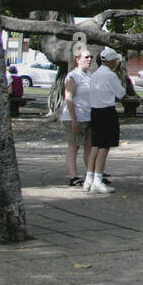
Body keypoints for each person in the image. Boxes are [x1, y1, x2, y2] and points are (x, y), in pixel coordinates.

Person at [85, 48, 126, 193]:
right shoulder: (110, 75)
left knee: (95, 145)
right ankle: (98, 179)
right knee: (104, 147)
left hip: (95, 111)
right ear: (111, 61)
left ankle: (89, 178)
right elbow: (121, 93)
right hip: (107, 111)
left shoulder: (95, 74)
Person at [62, 48, 94, 188]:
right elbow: (69, 98)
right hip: (75, 117)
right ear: (77, 59)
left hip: (88, 116)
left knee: (89, 146)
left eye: (90, 57)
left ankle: (91, 174)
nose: (89, 60)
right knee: (74, 146)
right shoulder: (73, 76)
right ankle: (73, 176)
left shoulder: (89, 75)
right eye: (86, 57)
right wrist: (74, 120)